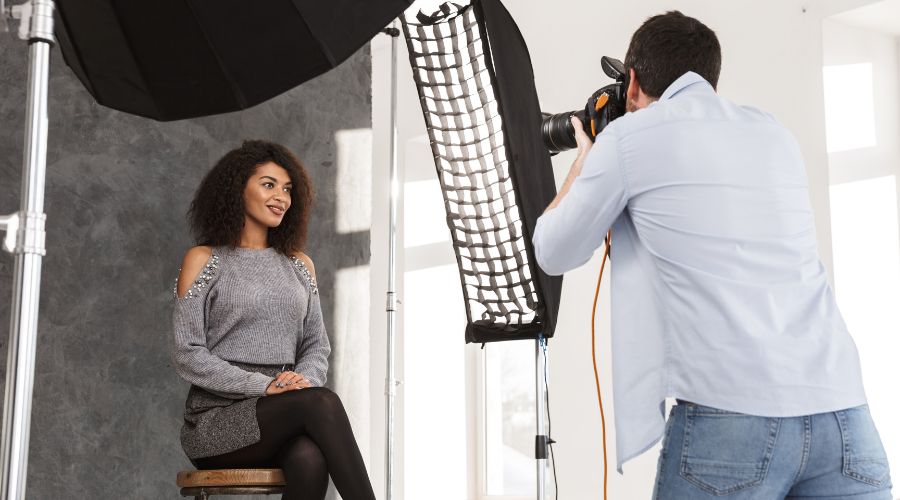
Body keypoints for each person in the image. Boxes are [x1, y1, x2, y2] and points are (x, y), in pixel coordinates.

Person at [532, 11, 892, 500]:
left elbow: (552, 250)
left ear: (632, 81)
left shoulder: (627, 140)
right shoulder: (772, 133)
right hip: (845, 419)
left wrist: (585, 159)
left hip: (732, 421)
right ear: (708, 77)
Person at [171, 140, 375, 500]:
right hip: (218, 418)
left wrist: (301, 381)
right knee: (321, 402)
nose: (281, 196)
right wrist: (263, 387)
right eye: (268, 184)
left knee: (309, 458)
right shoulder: (205, 259)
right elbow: (189, 354)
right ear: (237, 189)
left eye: (287, 189)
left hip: (285, 409)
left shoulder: (299, 264)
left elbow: (316, 345)